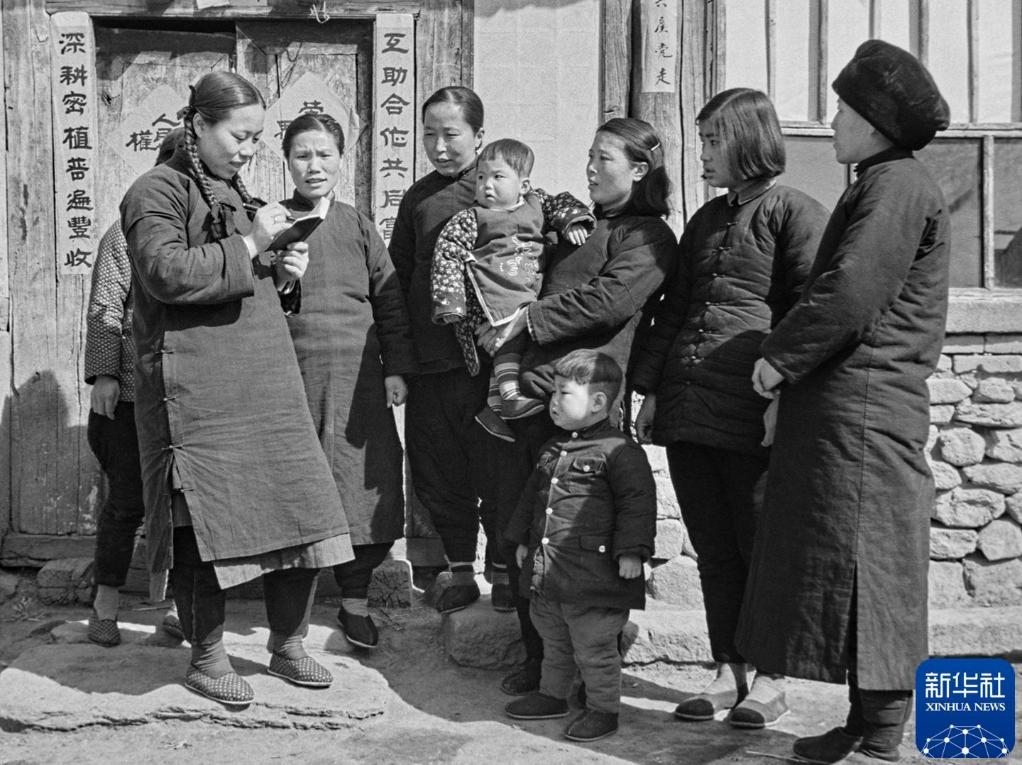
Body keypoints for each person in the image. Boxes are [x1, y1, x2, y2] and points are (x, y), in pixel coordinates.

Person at [736, 39, 950, 763]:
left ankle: (882, 733)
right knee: (852, 562)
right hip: (852, 407)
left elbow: (851, 292)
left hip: (866, 408)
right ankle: (864, 722)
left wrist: (779, 359)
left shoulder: (896, 186)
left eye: (841, 110)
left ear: (873, 122)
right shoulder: (883, 181)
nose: (831, 122)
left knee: (874, 564)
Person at [120, 71, 355, 706]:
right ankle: (208, 656)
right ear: (199, 124)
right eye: (239, 136)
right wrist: (251, 243)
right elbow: (166, 272)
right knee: (201, 522)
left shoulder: (234, 191)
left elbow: (247, 274)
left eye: (257, 138)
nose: (250, 150)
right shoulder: (154, 191)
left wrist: (283, 272)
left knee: (300, 503)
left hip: (265, 380)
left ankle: (288, 644)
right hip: (195, 389)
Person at [631, 88, 828, 727]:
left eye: (713, 140)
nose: (704, 154)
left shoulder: (795, 212)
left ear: (747, 140)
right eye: (704, 141)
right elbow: (677, 310)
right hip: (690, 408)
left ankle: (772, 677)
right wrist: (652, 390)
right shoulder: (706, 220)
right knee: (714, 549)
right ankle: (728, 669)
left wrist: (784, 399)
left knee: (759, 547)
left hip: (753, 409)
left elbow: (812, 313)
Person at [476, 117, 676, 695]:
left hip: (589, 407)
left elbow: (609, 301)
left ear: (639, 170)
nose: (589, 168)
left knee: (580, 540)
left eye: (603, 159)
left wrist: (528, 319)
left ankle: (589, 671)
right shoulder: (577, 227)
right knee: (525, 528)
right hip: (532, 399)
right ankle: (540, 657)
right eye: (589, 155)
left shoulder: (648, 238)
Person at [280, 112, 417, 650]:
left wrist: (397, 368)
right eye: (302, 155)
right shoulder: (269, 223)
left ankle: (355, 602)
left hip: (360, 378)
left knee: (365, 481)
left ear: (342, 159)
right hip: (293, 377)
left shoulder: (358, 226)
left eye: (324, 155)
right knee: (300, 483)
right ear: (286, 161)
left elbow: (390, 301)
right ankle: (291, 613)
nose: (314, 166)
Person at [503, 350, 655, 742]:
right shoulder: (553, 448)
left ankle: (604, 710)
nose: (553, 401)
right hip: (553, 575)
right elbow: (531, 498)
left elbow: (637, 503)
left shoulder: (620, 451)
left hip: (596, 579)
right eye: (553, 392)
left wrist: (632, 551)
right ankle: (552, 695)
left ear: (598, 402)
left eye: (563, 393)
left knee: (594, 648)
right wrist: (522, 540)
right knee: (554, 641)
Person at [85, 129, 187, 648]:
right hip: (130, 390)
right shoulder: (123, 234)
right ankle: (105, 605)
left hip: (186, 393)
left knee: (183, 506)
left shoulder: (204, 232)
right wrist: (105, 374)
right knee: (126, 502)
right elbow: (107, 306)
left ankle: (176, 605)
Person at [431, 137, 594, 441]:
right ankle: (509, 395)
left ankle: (493, 408)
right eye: (481, 177)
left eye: (497, 177)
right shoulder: (471, 218)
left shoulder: (536, 203)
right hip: (491, 294)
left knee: (526, 334)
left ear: (524, 185)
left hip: (527, 289)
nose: (486, 185)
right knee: (510, 336)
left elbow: (562, 203)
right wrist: (451, 302)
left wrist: (572, 222)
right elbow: (447, 252)